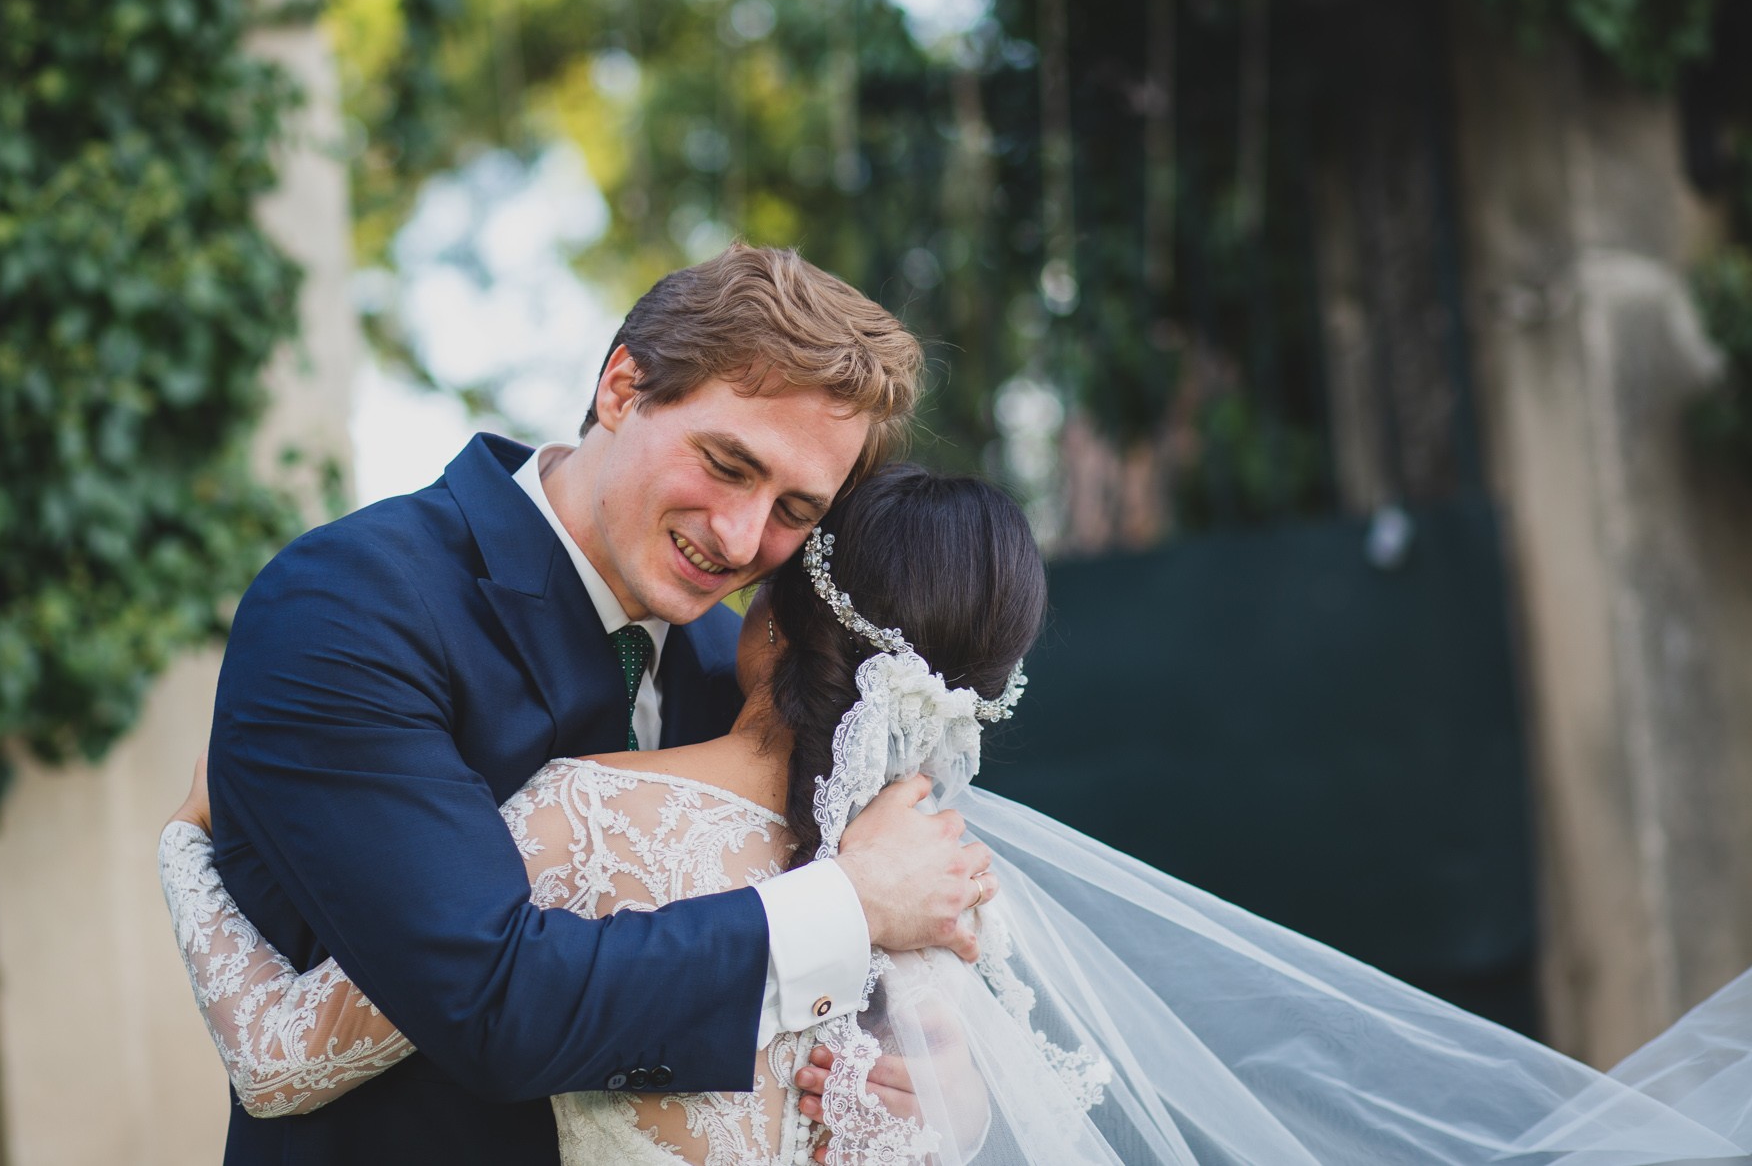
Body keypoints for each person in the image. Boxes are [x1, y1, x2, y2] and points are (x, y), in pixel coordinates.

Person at [168, 462, 1752, 1161]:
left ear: (781, 618)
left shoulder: (585, 814)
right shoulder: (954, 913)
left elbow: (288, 1053)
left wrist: (187, 852)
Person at [190, 244, 998, 1164]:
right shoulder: (353, 604)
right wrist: (843, 906)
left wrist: (929, 1096)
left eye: (794, 510)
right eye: (728, 463)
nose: (741, 538)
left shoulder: (738, 673)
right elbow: (487, 1001)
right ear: (622, 387)